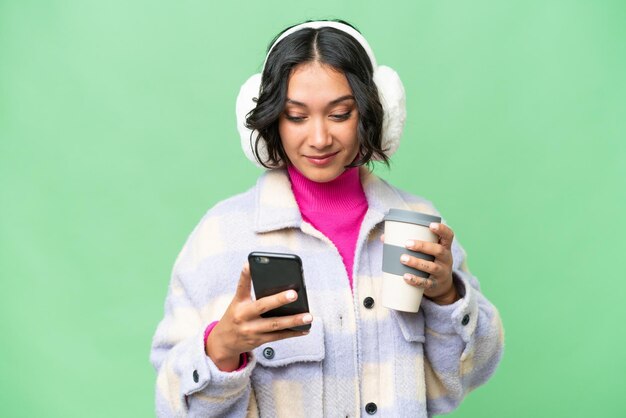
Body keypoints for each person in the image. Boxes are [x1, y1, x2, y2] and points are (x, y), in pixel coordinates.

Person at [150, 20, 504, 417]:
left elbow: (472, 373)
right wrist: (221, 349)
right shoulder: (220, 237)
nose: (319, 138)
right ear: (271, 120)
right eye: (296, 117)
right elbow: (171, 403)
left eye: (339, 114)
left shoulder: (417, 225)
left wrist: (446, 297)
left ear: (374, 113)